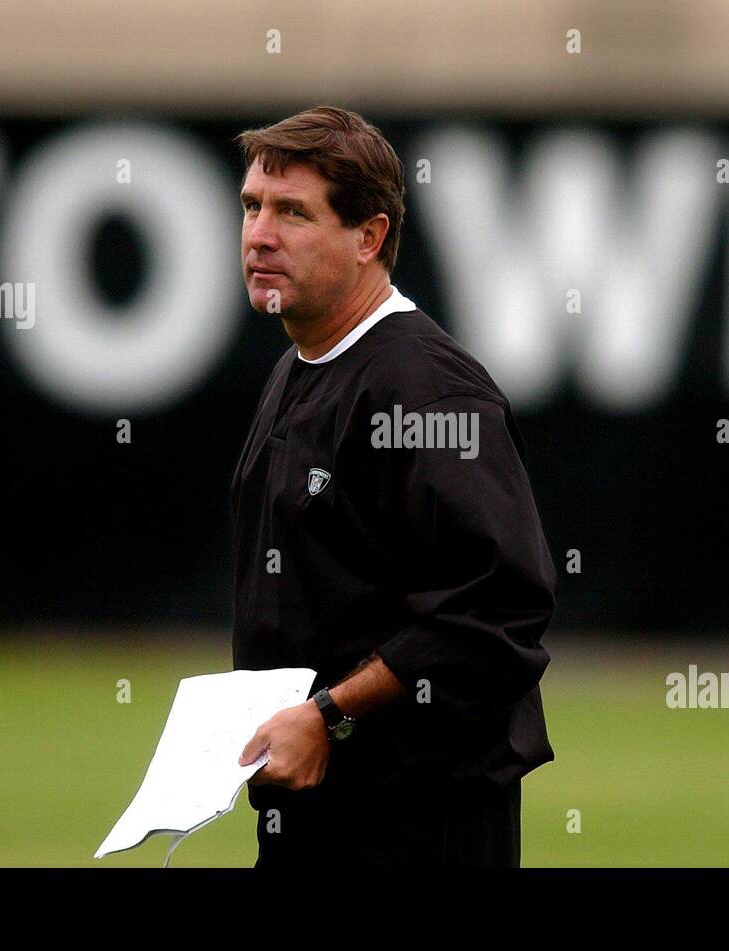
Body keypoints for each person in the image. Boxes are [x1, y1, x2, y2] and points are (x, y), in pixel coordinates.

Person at [230, 105, 556, 867]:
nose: (259, 235)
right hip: (312, 811)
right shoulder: (298, 364)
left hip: (415, 824)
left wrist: (329, 715)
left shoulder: (427, 391)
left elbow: (497, 612)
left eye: (292, 212)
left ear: (368, 237)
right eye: (251, 206)